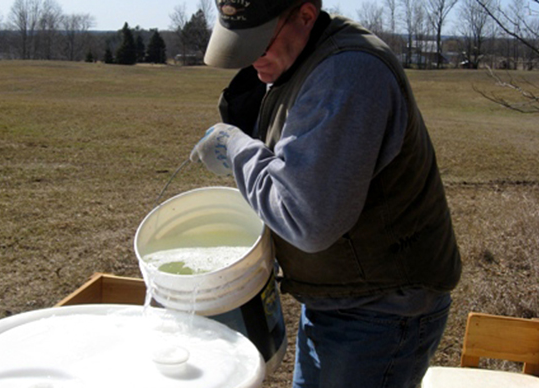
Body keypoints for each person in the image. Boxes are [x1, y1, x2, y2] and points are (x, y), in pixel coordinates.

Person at [190, 1, 462, 387]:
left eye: (259, 43)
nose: (251, 58)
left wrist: (236, 148)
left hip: (380, 311)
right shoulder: (302, 58)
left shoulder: (347, 73)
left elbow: (307, 217)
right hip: (338, 298)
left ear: (304, 15)